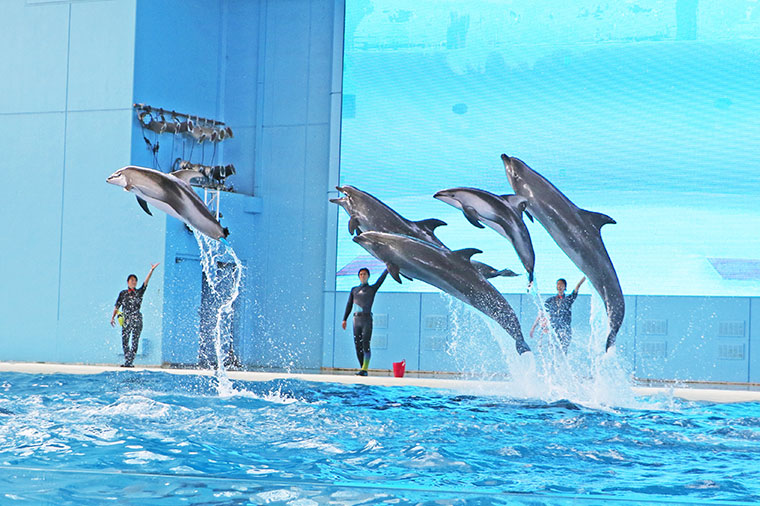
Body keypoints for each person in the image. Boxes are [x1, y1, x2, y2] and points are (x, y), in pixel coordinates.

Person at [341, 267, 388, 376]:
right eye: (361, 274)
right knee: (358, 345)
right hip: (356, 319)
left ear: (368, 276)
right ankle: (363, 368)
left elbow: (381, 280)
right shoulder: (354, 290)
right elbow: (349, 305)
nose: (363, 276)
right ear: (358, 276)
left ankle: (364, 369)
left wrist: (387, 269)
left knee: (365, 343)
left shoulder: (372, 289)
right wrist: (344, 319)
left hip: (367, 319)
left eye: (365, 274)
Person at [111, 263, 160, 367]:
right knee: (125, 340)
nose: (133, 282)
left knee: (135, 341)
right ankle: (127, 360)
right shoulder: (123, 293)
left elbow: (146, 282)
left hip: (137, 318)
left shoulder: (139, 292)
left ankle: (130, 362)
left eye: (135, 280)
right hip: (126, 319)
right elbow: (117, 306)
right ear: (128, 282)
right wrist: (112, 317)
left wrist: (151, 270)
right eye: (131, 280)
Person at [530, 276, 586, 353]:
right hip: (553, 329)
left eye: (561, 284)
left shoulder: (568, 299)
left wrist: (586, 276)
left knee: (563, 350)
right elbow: (541, 313)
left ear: (565, 287)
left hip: (565, 329)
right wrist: (533, 327)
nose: (559, 286)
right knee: (552, 350)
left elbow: (577, 287)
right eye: (558, 284)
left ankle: (563, 362)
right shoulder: (550, 300)